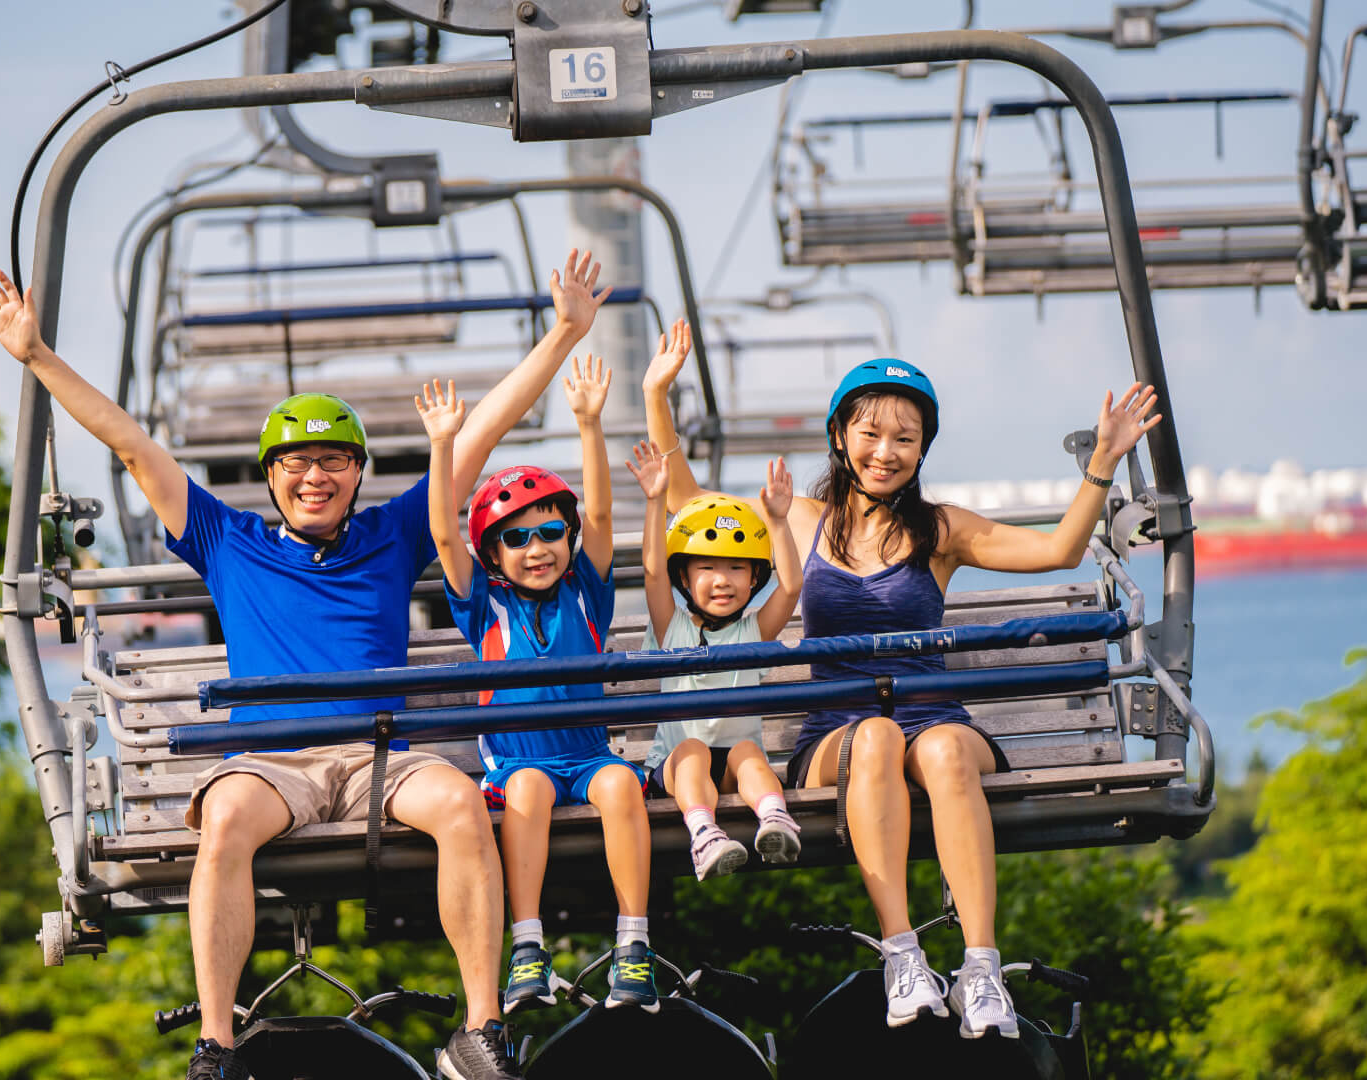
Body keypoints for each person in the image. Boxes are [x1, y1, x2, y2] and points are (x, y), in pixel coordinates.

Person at [0, 250, 615, 1080]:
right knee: (227, 822)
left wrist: (564, 333)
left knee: (460, 803)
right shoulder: (225, 540)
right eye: (297, 466)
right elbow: (132, 445)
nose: (315, 479)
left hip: (380, 754)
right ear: (273, 477)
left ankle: (480, 1029)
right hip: (275, 761)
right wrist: (35, 355)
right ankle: (216, 1041)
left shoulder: (393, 533)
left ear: (357, 474)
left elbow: (483, 429)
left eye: (333, 463)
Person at [645, 322, 1160, 1040]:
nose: (885, 453)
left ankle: (981, 967)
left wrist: (1102, 463)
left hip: (937, 719)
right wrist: (657, 395)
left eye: (904, 439)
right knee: (878, 737)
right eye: (870, 434)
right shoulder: (798, 520)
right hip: (835, 730)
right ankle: (903, 954)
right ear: (840, 436)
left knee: (946, 753)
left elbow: (1056, 549)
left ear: (922, 450)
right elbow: (683, 500)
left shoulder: (939, 531)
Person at [416, 357, 658, 1016]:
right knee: (525, 791)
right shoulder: (483, 605)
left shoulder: (587, 594)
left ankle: (633, 943)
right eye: (517, 539)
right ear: (493, 556)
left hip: (588, 754)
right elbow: (441, 532)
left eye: (551, 531)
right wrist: (443, 445)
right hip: (522, 763)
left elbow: (603, 517)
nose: (537, 548)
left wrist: (588, 423)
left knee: (617, 784)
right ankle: (528, 945)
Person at [623, 403, 803, 881]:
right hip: (675, 768)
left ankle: (775, 819)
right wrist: (654, 503)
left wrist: (779, 523)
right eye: (707, 567)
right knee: (695, 752)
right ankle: (703, 833)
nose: (722, 580)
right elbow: (651, 570)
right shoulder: (673, 628)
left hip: (732, 768)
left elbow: (790, 588)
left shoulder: (754, 633)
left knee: (747, 751)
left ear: (753, 577)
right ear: (684, 576)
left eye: (736, 568)